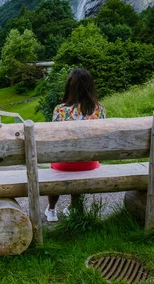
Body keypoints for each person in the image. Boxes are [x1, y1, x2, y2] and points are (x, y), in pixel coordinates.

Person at [44, 68, 106, 222]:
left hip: (64, 164)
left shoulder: (60, 110)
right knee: (79, 161)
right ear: (90, 86)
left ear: (69, 87)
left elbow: (55, 140)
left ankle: (51, 210)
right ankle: (73, 208)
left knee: (59, 165)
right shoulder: (99, 110)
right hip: (89, 164)